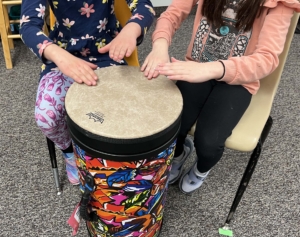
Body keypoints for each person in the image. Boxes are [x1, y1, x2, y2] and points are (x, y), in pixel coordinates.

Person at [141, 0, 300, 194]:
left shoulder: (279, 4)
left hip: (239, 81)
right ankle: (180, 155)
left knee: (208, 144)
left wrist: (210, 69)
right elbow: (172, 14)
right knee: (170, 129)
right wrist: (160, 46)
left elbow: (267, 59)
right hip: (196, 69)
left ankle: (201, 170)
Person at [20, 0, 155, 185]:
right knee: (46, 117)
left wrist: (131, 29)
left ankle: (108, 157)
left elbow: (144, 5)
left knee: (124, 114)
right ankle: (69, 153)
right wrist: (60, 56)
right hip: (62, 57)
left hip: (107, 53)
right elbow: (28, 26)